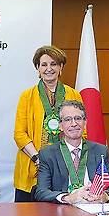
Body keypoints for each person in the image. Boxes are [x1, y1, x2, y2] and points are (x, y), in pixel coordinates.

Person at [13, 45, 83, 202]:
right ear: (37, 68)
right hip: (33, 167)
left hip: (65, 167)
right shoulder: (26, 96)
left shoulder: (74, 95)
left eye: (53, 64)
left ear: (61, 67)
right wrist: (38, 159)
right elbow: (19, 134)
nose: (48, 69)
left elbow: (81, 131)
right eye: (43, 64)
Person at [34, 100, 109, 203]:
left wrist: (104, 196)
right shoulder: (48, 154)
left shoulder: (100, 151)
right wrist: (68, 198)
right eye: (68, 119)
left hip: (93, 210)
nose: (74, 124)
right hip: (63, 213)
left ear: (85, 122)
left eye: (78, 118)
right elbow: (41, 192)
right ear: (60, 125)